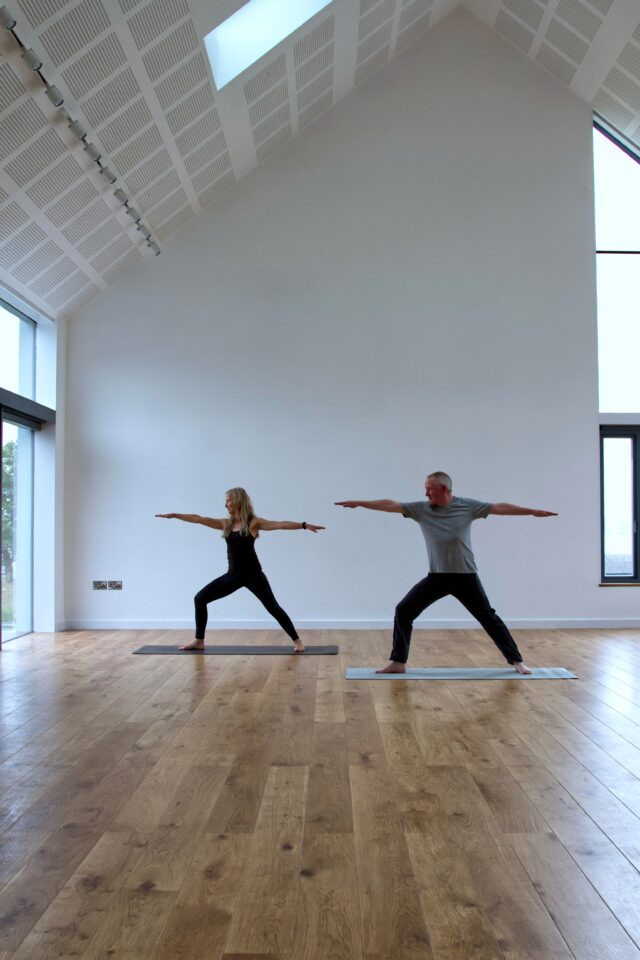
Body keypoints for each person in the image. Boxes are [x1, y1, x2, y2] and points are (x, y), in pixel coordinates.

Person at [336, 471, 557, 674]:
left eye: (429, 488)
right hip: (438, 576)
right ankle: (398, 662)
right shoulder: (421, 509)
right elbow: (391, 504)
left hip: (465, 576)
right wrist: (361, 503)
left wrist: (531, 512)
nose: (425, 493)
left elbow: (500, 507)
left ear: (443, 488)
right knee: (404, 610)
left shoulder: (468, 506)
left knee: (488, 618)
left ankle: (517, 661)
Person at [156, 487, 324, 651]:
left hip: (253, 575)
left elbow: (279, 524)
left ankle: (298, 641)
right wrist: (175, 515)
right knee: (200, 598)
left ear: (237, 501)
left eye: (228, 501)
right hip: (233, 576)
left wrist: (303, 525)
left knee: (273, 607)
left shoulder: (253, 523)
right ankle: (199, 640)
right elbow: (198, 519)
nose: (225, 504)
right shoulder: (226, 524)